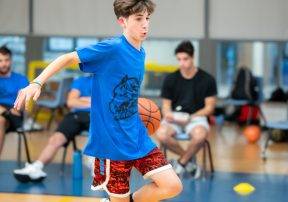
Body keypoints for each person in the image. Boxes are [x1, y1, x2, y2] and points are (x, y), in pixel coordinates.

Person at [13, 0, 182, 202]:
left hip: (137, 137)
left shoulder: (140, 52)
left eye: (147, 18)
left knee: (172, 185)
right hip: (111, 143)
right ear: (122, 21)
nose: (145, 24)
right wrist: (37, 83)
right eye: (138, 19)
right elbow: (67, 58)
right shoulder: (112, 48)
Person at [13, 75, 92, 182]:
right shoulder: (81, 81)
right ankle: (36, 167)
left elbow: (108, 103)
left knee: (100, 140)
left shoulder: (107, 79)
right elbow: (71, 102)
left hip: (98, 116)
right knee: (56, 139)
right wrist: (92, 100)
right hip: (76, 116)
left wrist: (82, 100)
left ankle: (102, 174)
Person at [156, 41, 217, 178]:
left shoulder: (207, 79)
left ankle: (181, 163)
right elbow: (165, 106)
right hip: (175, 118)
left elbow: (209, 108)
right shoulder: (170, 79)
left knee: (200, 135)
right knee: (161, 134)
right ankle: (189, 161)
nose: (181, 63)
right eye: (179, 60)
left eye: (185, 59)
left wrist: (191, 117)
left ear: (193, 57)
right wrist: (168, 115)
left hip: (196, 117)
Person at [0, 46, 29, 156]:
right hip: (3, 110)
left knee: (0, 120)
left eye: (6, 60)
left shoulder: (21, 79)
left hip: (13, 114)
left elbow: (20, 105)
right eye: (0, 61)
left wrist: (9, 111)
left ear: (11, 61)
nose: (3, 64)